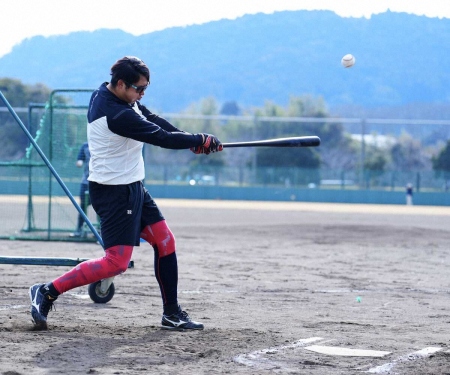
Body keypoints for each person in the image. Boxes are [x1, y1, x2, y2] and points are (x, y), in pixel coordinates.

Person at [29, 56, 223, 331]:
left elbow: (153, 120)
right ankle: (47, 291)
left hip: (133, 186)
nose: (142, 94)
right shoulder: (117, 114)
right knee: (116, 263)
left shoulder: (121, 98)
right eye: (139, 89)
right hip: (113, 192)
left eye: (145, 89)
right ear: (121, 84)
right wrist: (197, 140)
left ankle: (171, 313)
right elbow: (160, 137)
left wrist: (192, 139)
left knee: (165, 241)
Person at [70, 142, 90, 237]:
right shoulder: (85, 146)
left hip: (100, 182)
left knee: (102, 208)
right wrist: (79, 162)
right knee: (83, 206)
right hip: (86, 182)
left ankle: (101, 231)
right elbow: (79, 161)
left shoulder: (102, 143)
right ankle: (79, 229)